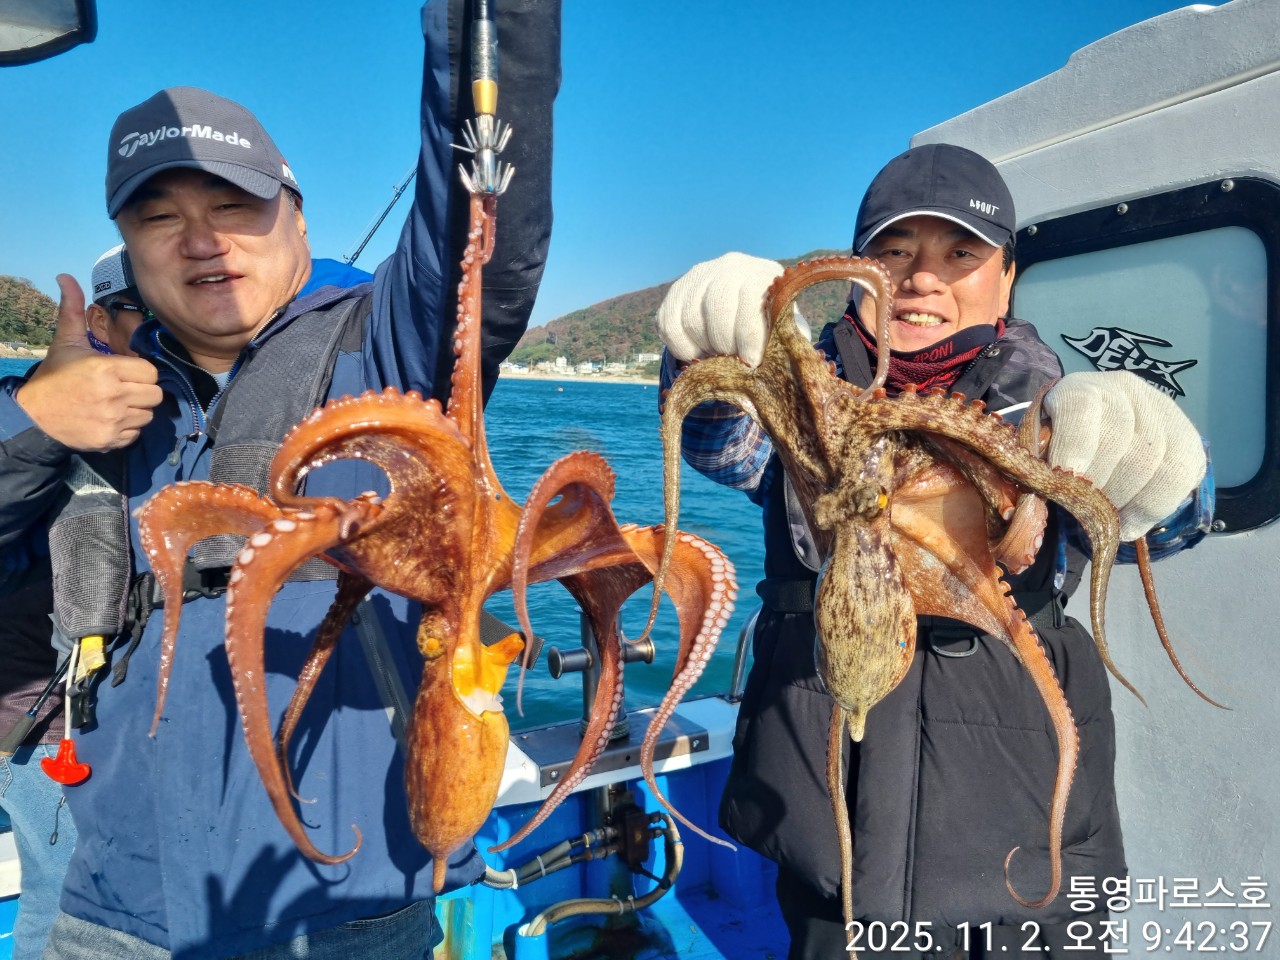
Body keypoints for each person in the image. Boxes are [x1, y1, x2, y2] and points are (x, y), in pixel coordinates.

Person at [0, 1, 559, 957]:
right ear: (127, 249)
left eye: (233, 207)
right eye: (159, 218)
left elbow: (481, 232)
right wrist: (32, 424)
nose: (202, 240)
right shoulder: (77, 399)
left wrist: (495, 19)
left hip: (345, 911)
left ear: (295, 216)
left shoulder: (386, 348)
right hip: (111, 905)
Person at [656, 143, 1211, 959]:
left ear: (1006, 279)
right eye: (892, 251)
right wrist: (701, 352)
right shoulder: (803, 414)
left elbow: (1160, 525)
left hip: (1025, 848)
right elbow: (719, 440)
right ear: (855, 271)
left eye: (960, 254)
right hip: (831, 849)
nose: (922, 278)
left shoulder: (1050, 418)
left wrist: (1164, 464)